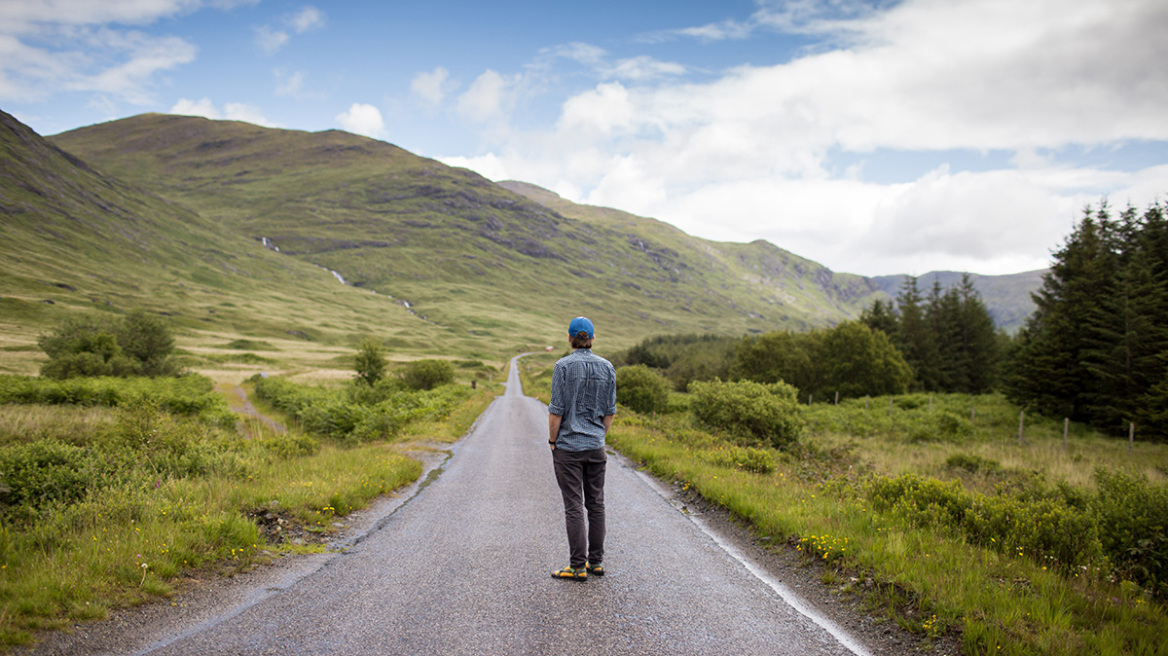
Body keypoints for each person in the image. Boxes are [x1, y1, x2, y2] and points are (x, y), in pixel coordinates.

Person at [548, 316, 616, 582]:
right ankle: (596, 562)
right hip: (595, 446)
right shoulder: (607, 367)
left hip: (568, 447)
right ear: (592, 339)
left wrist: (553, 442)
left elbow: (556, 412)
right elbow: (609, 412)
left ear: (569, 338)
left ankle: (577, 566)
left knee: (574, 505)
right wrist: (597, 436)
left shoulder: (562, 366)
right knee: (596, 504)